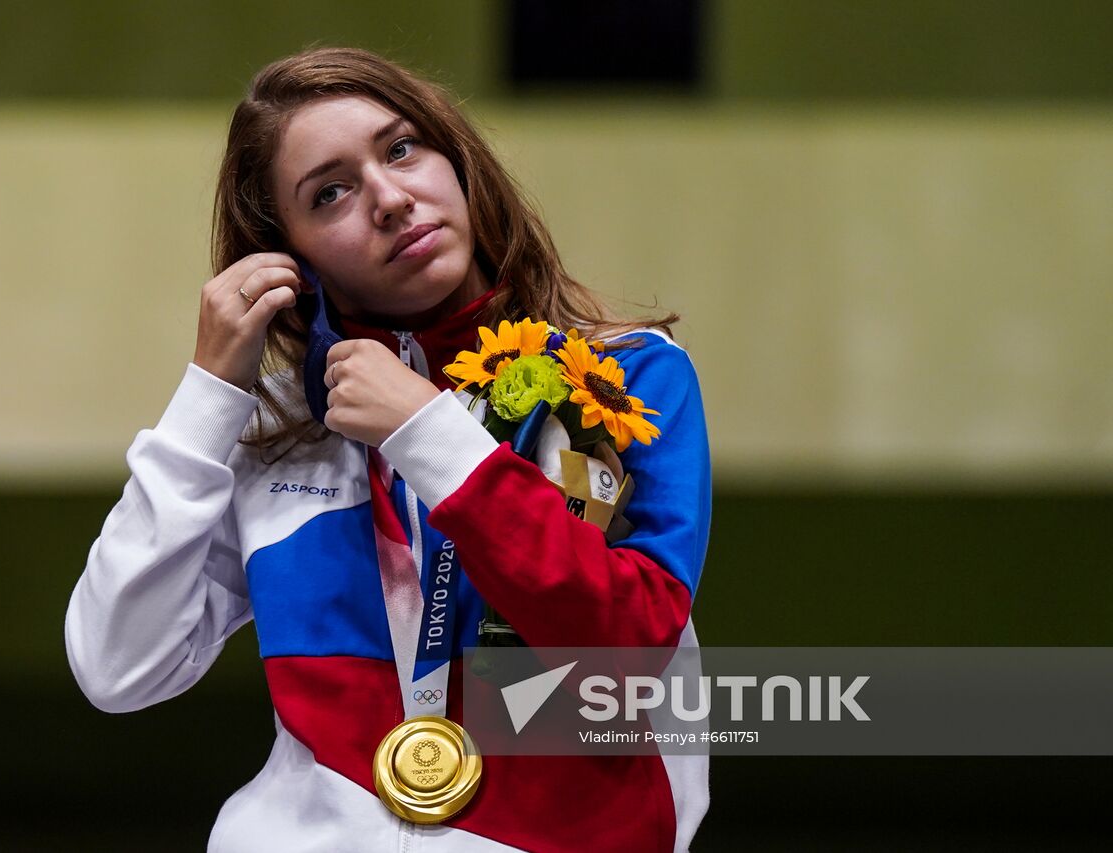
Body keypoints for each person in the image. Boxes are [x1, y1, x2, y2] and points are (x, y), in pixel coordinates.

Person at [64, 46, 711, 853]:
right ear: (288, 253)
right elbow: (119, 666)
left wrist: (429, 435)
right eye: (329, 193)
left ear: (457, 159)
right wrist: (208, 397)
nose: (390, 198)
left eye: (402, 148)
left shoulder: (626, 376)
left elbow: (624, 654)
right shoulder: (275, 427)